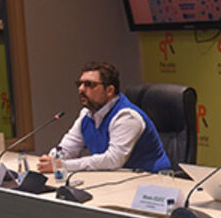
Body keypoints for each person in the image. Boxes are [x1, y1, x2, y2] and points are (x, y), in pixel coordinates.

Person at [38, 61, 170, 174]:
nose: (81, 89)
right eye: (79, 84)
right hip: (115, 180)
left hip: (151, 182)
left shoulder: (127, 116)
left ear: (109, 90)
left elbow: (113, 160)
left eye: (89, 84)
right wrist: (52, 159)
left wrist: (63, 165)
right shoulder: (86, 114)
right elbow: (68, 148)